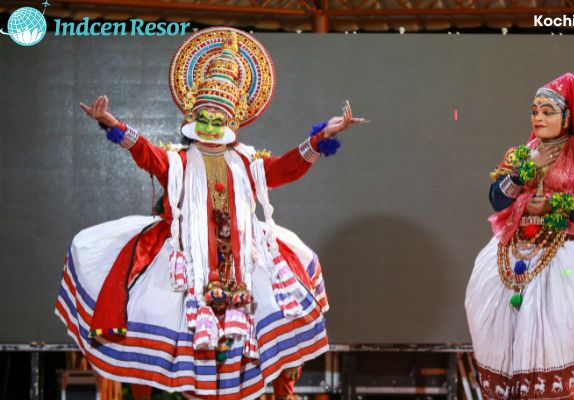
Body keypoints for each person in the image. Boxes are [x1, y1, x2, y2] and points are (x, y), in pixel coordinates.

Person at [55, 27, 365, 400]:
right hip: (187, 262)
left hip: (241, 262)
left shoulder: (248, 164)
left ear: (231, 123)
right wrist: (112, 125)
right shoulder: (179, 161)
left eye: (218, 121)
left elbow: (286, 168)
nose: (210, 128)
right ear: (192, 117)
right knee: (149, 320)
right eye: (204, 119)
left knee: (285, 311)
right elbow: (145, 153)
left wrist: (320, 137)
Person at [465, 73, 574, 399]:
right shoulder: (521, 154)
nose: (539, 118)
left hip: (565, 257)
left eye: (548, 112)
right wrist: (522, 175)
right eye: (535, 111)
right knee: (501, 333)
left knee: (563, 333)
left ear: (566, 117)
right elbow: (496, 199)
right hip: (516, 255)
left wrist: (562, 209)